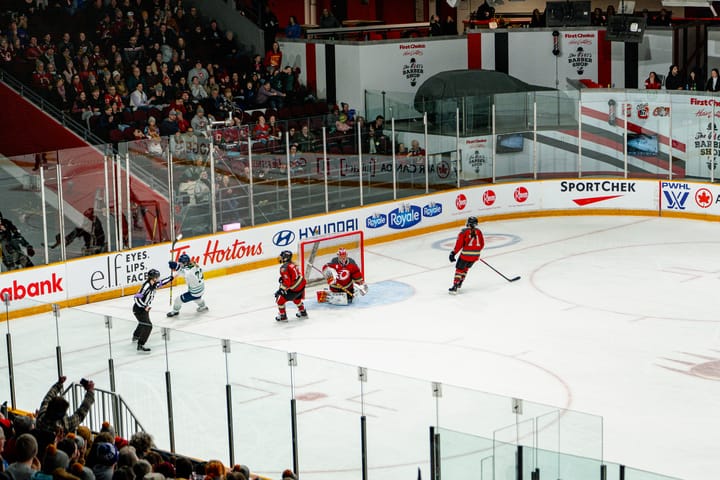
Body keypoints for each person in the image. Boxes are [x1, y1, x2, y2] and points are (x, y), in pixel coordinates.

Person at [35, 376, 95, 453]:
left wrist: (58, 384)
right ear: (61, 415)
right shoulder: (64, 426)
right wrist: (90, 392)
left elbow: (48, 398)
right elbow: (81, 413)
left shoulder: (41, 415)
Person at [132, 268, 172, 353]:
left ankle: (136, 336)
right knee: (148, 326)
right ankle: (141, 344)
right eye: (157, 277)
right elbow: (136, 297)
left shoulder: (153, 284)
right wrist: (144, 306)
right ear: (153, 277)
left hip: (143, 309)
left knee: (142, 323)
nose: (158, 278)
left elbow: (161, 283)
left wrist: (171, 278)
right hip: (139, 309)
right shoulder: (146, 286)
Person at [448, 216, 485, 294]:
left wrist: (453, 253)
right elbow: (482, 244)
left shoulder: (463, 232)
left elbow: (459, 245)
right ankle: (460, 282)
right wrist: (475, 252)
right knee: (466, 269)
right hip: (475, 256)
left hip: (465, 255)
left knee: (459, 269)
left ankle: (455, 286)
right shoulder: (479, 231)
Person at [275, 250, 308, 322]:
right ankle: (302, 311)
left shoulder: (284, 268)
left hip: (295, 288)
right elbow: (294, 276)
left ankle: (283, 315)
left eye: (282, 256)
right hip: (302, 287)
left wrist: (280, 290)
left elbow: (287, 283)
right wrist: (283, 278)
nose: (280, 258)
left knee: (279, 300)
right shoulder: (292, 264)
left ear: (285, 258)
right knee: (296, 299)